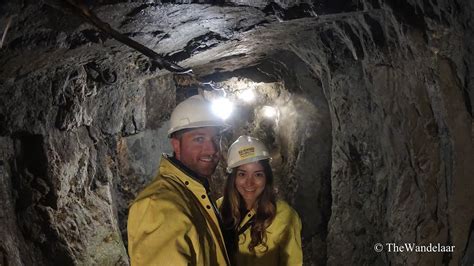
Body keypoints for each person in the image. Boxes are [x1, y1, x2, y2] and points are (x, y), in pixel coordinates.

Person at [127, 95, 230, 266]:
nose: (212, 149)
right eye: (199, 139)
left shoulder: (194, 192)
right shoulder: (159, 206)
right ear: (176, 145)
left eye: (215, 138)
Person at [218, 135, 303, 266]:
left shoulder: (285, 216)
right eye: (242, 174)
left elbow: (293, 262)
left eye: (258, 174)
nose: (249, 183)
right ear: (233, 178)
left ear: (266, 177)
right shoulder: (218, 208)